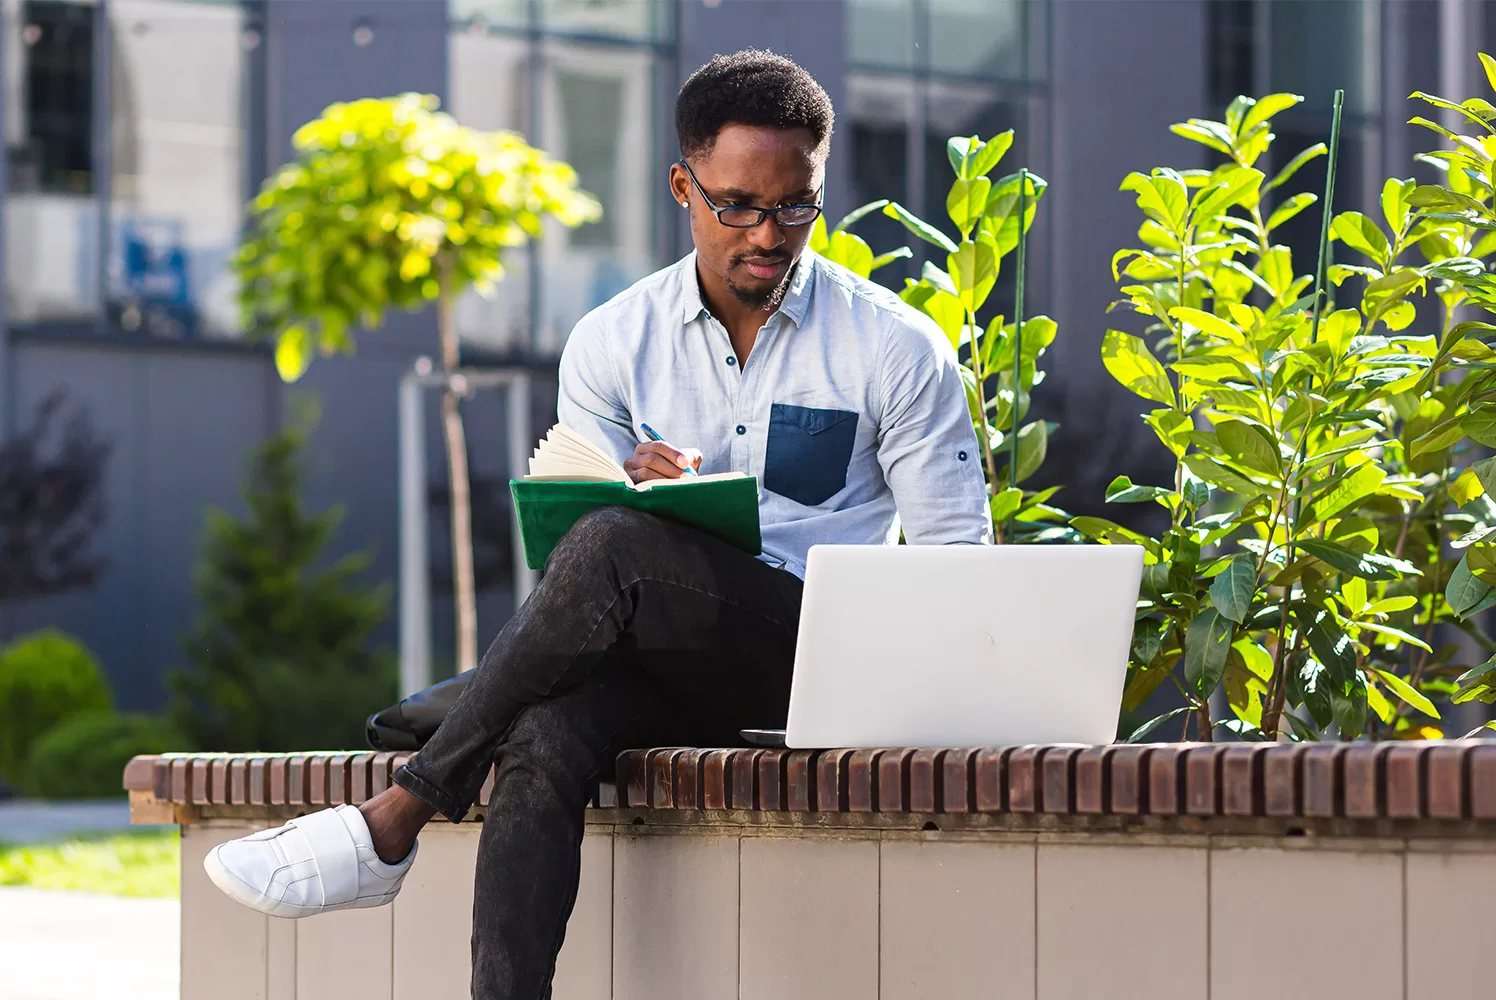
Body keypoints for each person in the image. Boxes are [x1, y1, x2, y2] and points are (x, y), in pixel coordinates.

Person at [202, 49, 989, 999]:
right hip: (658, 658)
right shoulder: (615, 342)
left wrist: (639, 532)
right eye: (736, 205)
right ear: (682, 187)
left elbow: (956, 569)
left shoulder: (894, 349)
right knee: (548, 721)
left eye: (793, 208)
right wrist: (629, 493)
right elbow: (570, 575)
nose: (766, 236)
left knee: (619, 545)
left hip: (812, 662)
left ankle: (397, 816)